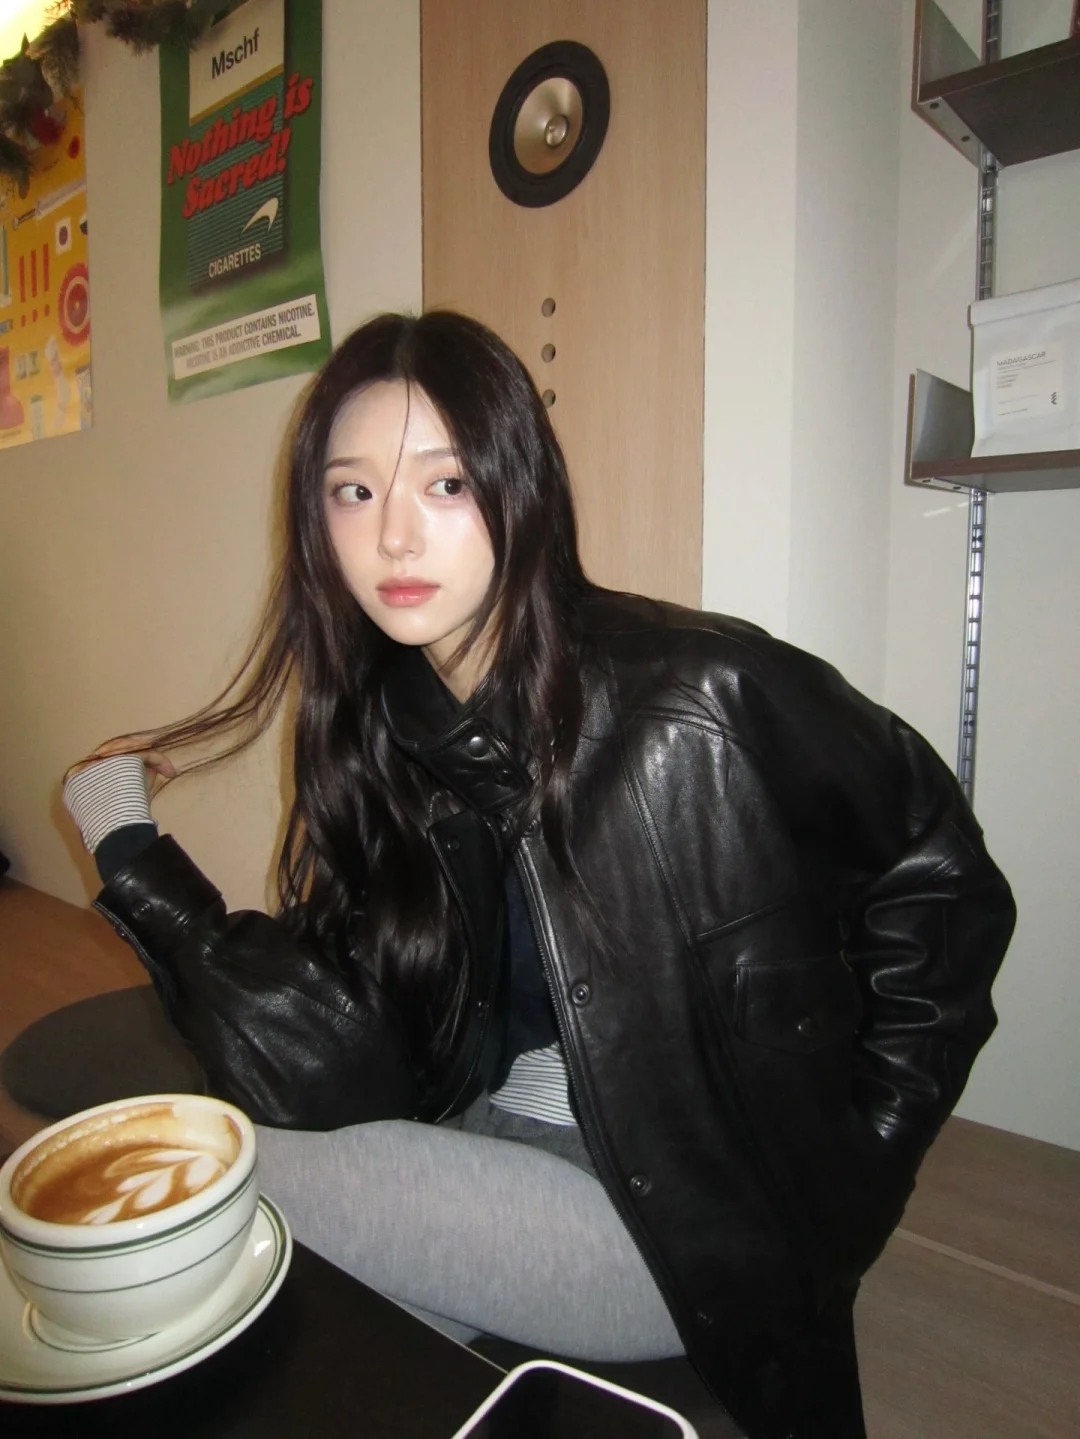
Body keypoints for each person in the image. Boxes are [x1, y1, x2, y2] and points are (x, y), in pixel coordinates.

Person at [62, 310, 1015, 1439]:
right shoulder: (393, 729)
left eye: (447, 484)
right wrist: (131, 850)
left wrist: (865, 1165)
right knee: (300, 1341)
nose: (395, 537)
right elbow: (329, 1063)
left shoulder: (696, 697)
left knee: (201, 1186)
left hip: (673, 1220)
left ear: (521, 485)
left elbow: (945, 878)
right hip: (493, 1140)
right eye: (353, 491)